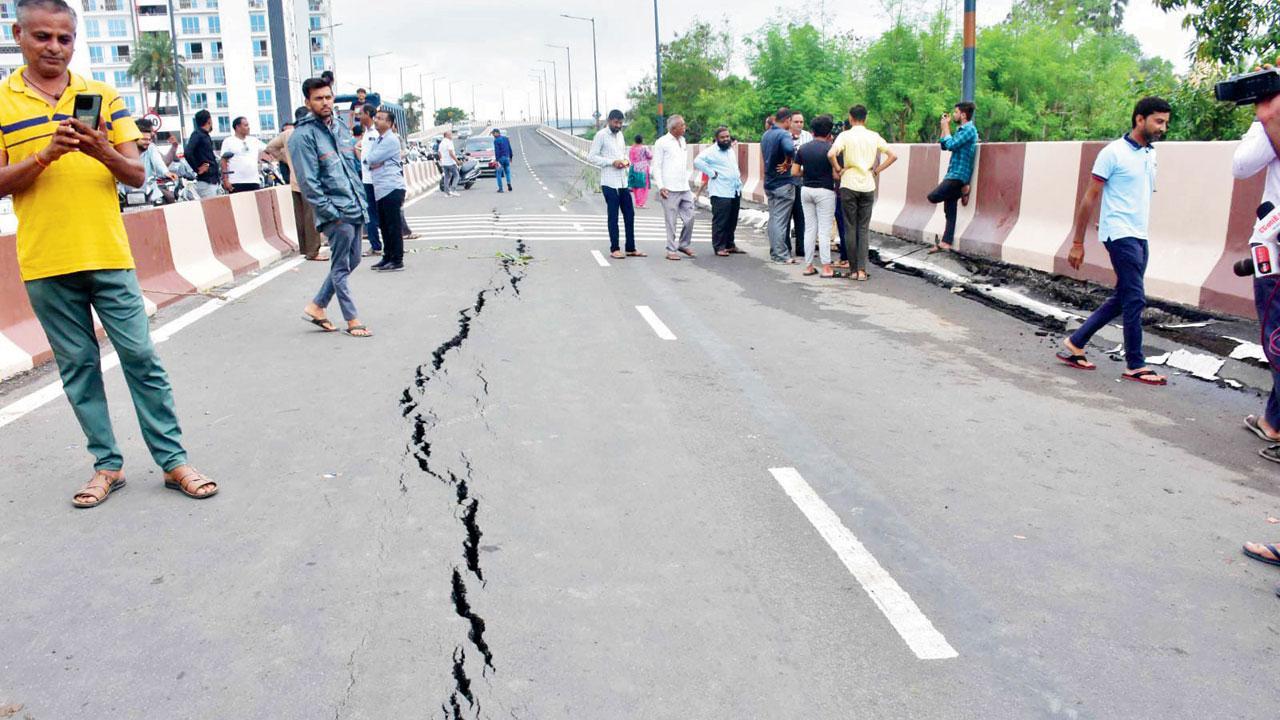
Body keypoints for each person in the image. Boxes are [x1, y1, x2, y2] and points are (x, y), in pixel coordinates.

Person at [0, 0, 217, 507]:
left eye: (64, 38)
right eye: (42, 37)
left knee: (141, 356)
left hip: (108, 254)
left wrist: (99, 148)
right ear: (19, 34)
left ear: (74, 40)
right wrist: (44, 154)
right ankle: (107, 465)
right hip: (45, 260)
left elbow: (139, 174)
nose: (54, 47)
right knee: (77, 367)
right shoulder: (2, 101)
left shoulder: (102, 95)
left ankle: (173, 461)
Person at [1055, 96, 1171, 386]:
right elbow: (1089, 197)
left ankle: (1076, 343)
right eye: (1158, 121)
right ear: (1139, 119)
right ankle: (1136, 363)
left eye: (1166, 122)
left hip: (1139, 234)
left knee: (1123, 297)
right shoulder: (1113, 153)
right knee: (1135, 298)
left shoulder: (1150, 154)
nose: (1163, 128)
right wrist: (1078, 242)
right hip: (1119, 233)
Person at [290, 76, 373, 338]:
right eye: (318, 98)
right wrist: (330, 213)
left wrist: (361, 202)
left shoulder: (339, 127)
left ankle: (317, 306)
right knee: (340, 267)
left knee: (354, 260)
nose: (325, 102)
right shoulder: (302, 136)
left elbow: (351, 168)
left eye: (328, 97)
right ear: (308, 101)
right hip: (336, 212)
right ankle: (352, 320)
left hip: (355, 205)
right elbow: (309, 183)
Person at [1234, 72, 1280, 455]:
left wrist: (1263, 120)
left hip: (1274, 242)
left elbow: (1242, 165)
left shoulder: (1272, 119)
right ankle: (1272, 423)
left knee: (1277, 338)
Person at [829, 104, 897, 282]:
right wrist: (876, 170)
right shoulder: (874, 136)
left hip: (848, 183)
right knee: (863, 228)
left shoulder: (845, 135)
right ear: (865, 118)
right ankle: (861, 270)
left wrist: (839, 168)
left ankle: (852, 269)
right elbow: (893, 155)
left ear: (850, 118)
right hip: (867, 183)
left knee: (849, 228)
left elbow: (831, 154)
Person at [266, 107, 327, 261]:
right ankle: (313, 251)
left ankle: (305, 249)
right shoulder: (309, 133)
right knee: (311, 216)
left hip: (294, 179)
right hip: (310, 181)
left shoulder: (287, 134)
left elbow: (270, 147)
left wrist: (285, 158)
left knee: (300, 216)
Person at [587, 109, 642, 259]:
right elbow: (591, 157)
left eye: (621, 123)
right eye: (616, 122)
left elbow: (623, 153)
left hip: (623, 181)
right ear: (609, 121)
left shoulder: (621, 136)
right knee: (613, 216)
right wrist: (611, 162)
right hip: (609, 183)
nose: (618, 125)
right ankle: (615, 248)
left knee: (629, 214)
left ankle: (630, 248)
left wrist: (625, 161)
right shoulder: (601, 136)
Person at [927, 101, 979, 253]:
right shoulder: (961, 130)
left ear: (963, 115)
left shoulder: (969, 130)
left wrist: (946, 128)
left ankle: (962, 191)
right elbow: (944, 145)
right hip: (952, 173)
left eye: (956, 112)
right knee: (950, 210)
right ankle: (946, 242)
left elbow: (952, 145)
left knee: (933, 196)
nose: (954, 115)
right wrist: (944, 128)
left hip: (958, 175)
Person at [793, 114, 838, 278]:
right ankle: (826, 267)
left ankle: (809, 266)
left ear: (812, 131)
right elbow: (836, 175)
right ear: (829, 134)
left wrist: (808, 172)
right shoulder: (830, 150)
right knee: (824, 231)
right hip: (825, 191)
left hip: (806, 190)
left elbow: (795, 172)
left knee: (809, 229)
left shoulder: (803, 149)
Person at [365, 109, 407, 272]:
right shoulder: (379, 140)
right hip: (381, 188)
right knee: (384, 224)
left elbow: (372, 158)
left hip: (391, 187)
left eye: (380, 119)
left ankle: (397, 260)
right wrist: (374, 162)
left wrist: (375, 161)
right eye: (376, 118)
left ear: (389, 123)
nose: (376, 121)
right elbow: (368, 160)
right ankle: (387, 256)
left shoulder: (391, 140)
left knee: (393, 226)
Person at [694, 126, 745, 257]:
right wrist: (711, 173)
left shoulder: (730, 150)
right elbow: (697, 161)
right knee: (721, 221)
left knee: (732, 219)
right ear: (717, 139)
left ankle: (730, 244)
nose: (726, 139)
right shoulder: (711, 151)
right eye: (722, 137)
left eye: (727, 137)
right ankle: (719, 247)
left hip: (734, 189)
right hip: (720, 191)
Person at [651, 114, 695, 261]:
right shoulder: (661, 142)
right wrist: (661, 186)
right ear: (674, 128)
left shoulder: (682, 140)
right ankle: (671, 250)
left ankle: (683, 244)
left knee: (690, 217)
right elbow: (656, 167)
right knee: (671, 221)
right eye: (682, 125)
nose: (685, 127)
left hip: (684, 186)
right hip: (669, 188)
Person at [762, 107, 798, 263]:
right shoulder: (783, 134)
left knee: (774, 218)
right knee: (781, 221)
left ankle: (775, 251)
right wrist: (789, 161)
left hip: (769, 182)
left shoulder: (766, 134)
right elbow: (790, 149)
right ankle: (781, 255)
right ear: (788, 120)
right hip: (783, 182)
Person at [354, 104, 382, 257]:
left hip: (375, 180)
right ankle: (376, 245)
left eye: (361, 114)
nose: (359, 116)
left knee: (374, 214)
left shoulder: (376, 133)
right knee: (371, 214)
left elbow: (379, 155)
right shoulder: (366, 133)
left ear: (368, 115)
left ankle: (379, 245)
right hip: (367, 179)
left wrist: (369, 165)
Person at [219, 116, 266, 194]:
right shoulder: (228, 141)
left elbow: (269, 148)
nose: (248, 128)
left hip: (253, 181)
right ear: (237, 127)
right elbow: (223, 160)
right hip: (236, 182)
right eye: (246, 125)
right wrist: (226, 180)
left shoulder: (253, 140)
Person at [184, 108, 220, 198]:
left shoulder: (204, 135)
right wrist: (197, 168)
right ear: (209, 120)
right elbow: (188, 152)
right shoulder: (197, 134)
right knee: (212, 208)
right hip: (206, 181)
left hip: (212, 179)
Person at [629, 134, 651, 208]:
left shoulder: (632, 148)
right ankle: (641, 203)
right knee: (643, 186)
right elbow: (650, 156)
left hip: (634, 168)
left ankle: (637, 202)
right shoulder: (644, 148)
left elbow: (630, 158)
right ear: (642, 140)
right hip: (643, 169)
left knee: (635, 186)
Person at [438, 129, 460, 197]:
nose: (451, 136)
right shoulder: (449, 142)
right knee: (456, 175)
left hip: (444, 163)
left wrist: (442, 159)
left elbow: (439, 152)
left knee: (447, 177)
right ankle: (453, 190)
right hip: (451, 162)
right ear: (447, 135)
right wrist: (457, 161)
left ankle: (447, 193)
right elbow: (451, 153)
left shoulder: (441, 143)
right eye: (450, 134)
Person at [492, 128, 513, 192]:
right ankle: (509, 183)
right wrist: (511, 157)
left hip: (500, 158)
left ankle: (500, 189)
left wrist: (497, 160)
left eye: (493, 133)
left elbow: (497, 151)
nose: (493, 135)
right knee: (507, 172)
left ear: (496, 133)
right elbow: (509, 148)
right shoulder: (506, 139)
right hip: (507, 158)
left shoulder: (496, 140)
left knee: (498, 173)